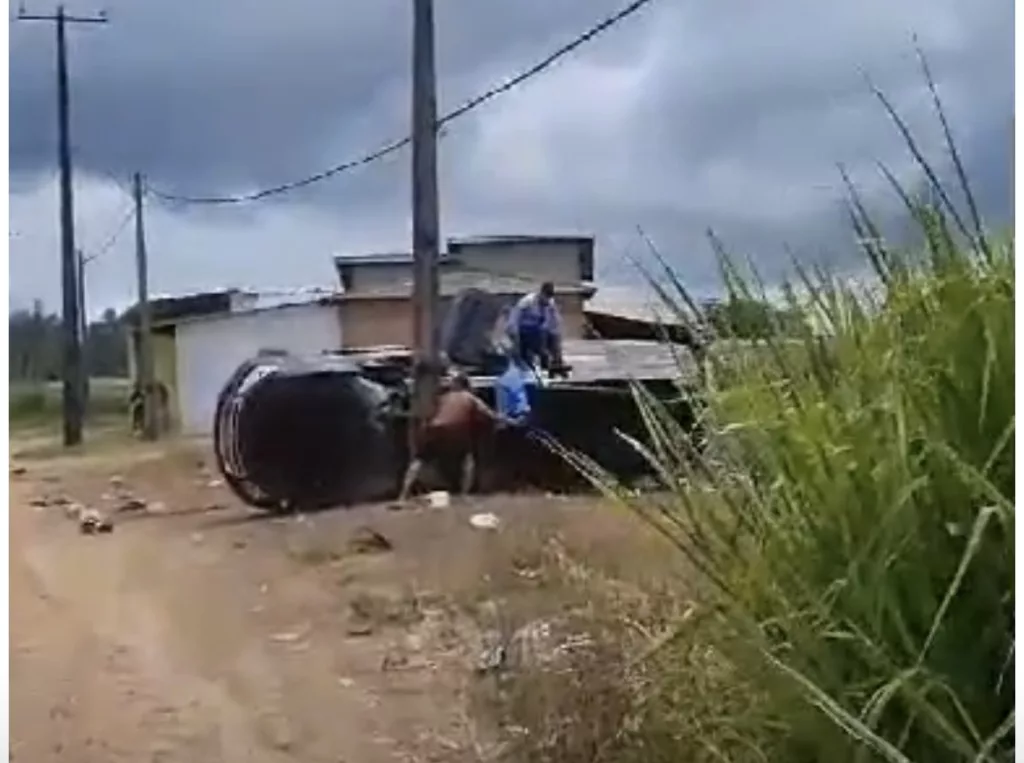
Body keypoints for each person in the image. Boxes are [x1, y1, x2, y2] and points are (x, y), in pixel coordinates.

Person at [395, 371, 503, 504]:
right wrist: (503, 419)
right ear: (467, 385)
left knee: (419, 460)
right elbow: (489, 415)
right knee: (468, 458)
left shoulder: (443, 397)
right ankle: (465, 495)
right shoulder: (470, 397)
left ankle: (402, 496)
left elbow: (428, 413)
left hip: (433, 428)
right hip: (455, 431)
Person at [506, 282, 565, 372]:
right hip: (525, 329)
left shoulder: (550, 302)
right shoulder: (527, 301)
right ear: (541, 293)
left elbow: (555, 319)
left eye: (549, 297)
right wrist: (513, 330)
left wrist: (556, 334)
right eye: (545, 297)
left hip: (540, 330)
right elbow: (515, 315)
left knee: (554, 339)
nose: (547, 300)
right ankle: (527, 366)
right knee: (531, 349)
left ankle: (555, 365)